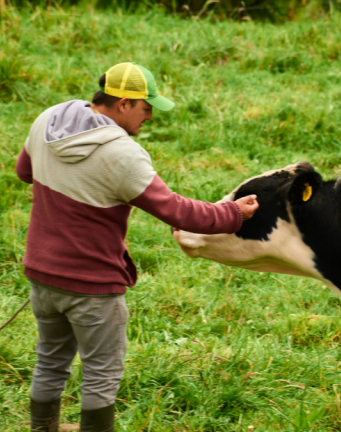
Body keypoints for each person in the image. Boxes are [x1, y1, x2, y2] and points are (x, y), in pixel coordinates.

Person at [15, 62, 258, 432]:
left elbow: (24, 171)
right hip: (92, 286)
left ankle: (42, 429)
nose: (149, 118)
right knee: (101, 374)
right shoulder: (121, 155)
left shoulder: (49, 120)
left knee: (50, 361)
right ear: (124, 103)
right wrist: (232, 214)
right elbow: (177, 211)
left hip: (42, 275)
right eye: (147, 109)